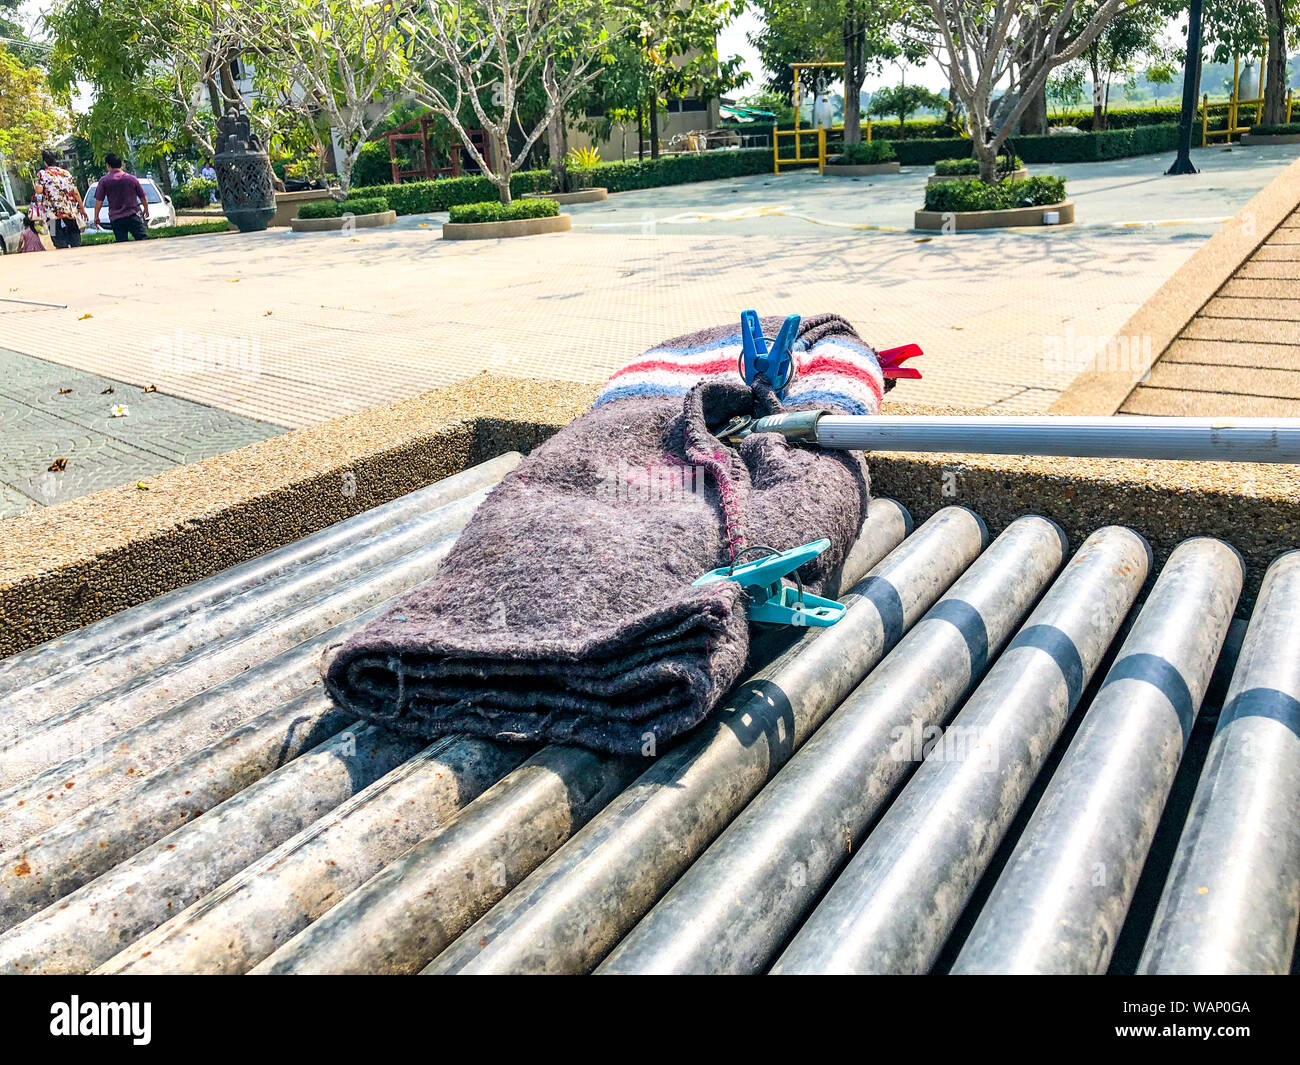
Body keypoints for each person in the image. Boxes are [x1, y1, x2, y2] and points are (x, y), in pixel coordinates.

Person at [29, 149, 88, 249]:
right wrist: (81, 208)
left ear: (45, 161)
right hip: (68, 209)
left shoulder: (42, 174)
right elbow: (75, 193)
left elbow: (39, 191)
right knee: (74, 233)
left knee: (55, 236)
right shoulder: (66, 173)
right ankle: (76, 250)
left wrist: (37, 185)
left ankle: (62, 250)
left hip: (50, 211)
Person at [93, 153, 151, 242]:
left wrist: (96, 216)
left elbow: (99, 200)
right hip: (133, 215)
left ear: (108, 165)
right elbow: (142, 196)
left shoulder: (104, 181)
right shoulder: (131, 179)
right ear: (121, 164)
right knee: (143, 239)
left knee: (122, 242)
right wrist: (146, 209)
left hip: (116, 217)